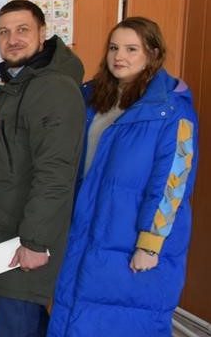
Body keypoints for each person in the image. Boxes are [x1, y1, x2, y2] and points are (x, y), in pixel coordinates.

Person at [48, 17, 198, 336]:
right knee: (75, 315)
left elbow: (173, 183)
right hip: (86, 230)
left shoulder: (171, 110)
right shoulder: (92, 98)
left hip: (130, 237)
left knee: (122, 321)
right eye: (114, 48)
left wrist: (150, 244)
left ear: (153, 53)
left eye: (132, 49)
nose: (119, 56)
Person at [0, 0, 85, 337]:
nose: (12, 39)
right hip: (9, 237)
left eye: (22, 30)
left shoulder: (52, 88)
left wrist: (35, 242)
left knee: (17, 324)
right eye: (4, 32)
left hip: (25, 242)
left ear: (43, 33)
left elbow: (55, 174)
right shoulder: (19, 85)